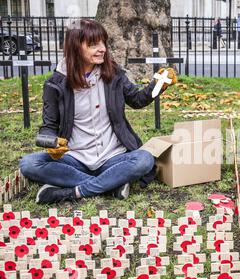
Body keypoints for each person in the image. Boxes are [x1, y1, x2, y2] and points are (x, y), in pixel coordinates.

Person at [19, 19, 177, 204]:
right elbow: (48, 127)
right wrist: (51, 142)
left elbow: (137, 100)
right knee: (29, 164)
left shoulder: (113, 73)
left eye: (103, 42)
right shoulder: (55, 85)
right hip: (74, 159)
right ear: (75, 47)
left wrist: (158, 85)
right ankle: (111, 185)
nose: (102, 48)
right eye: (94, 44)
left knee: (144, 159)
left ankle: (72, 192)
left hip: (113, 157)